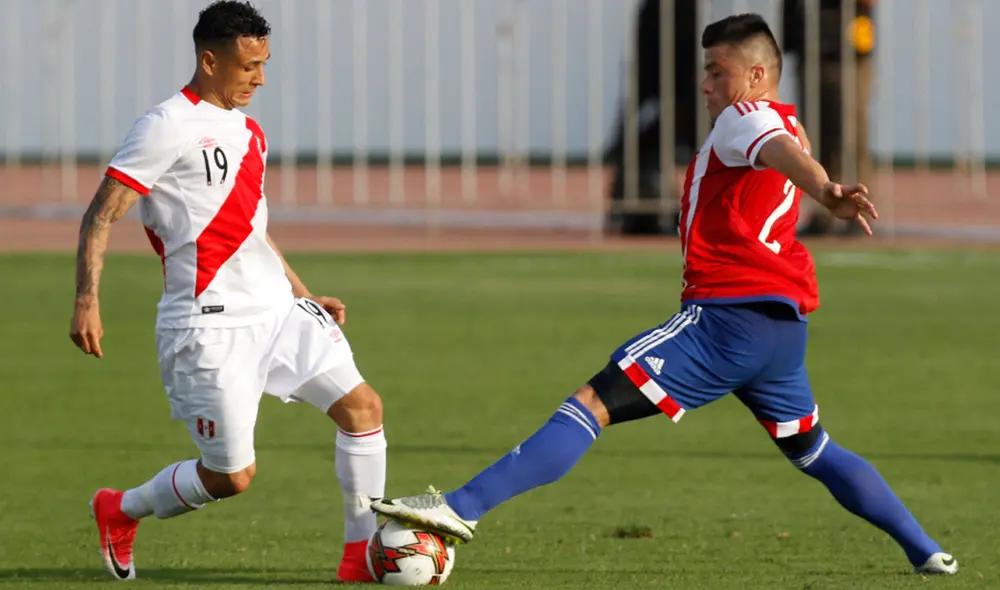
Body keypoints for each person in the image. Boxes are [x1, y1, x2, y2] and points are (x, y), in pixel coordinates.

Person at [370, 13, 957, 576]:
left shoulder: (746, 116)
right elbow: (787, 149)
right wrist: (822, 183)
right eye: (705, 71)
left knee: (592, 404)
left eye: (717, 71)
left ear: (756, 75)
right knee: (815, 450)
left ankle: (460, 507)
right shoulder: (787, 121)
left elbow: (776, 149)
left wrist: (825, 191)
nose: (706, 85)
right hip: (781, 331)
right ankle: (926, 551)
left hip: (726, 322)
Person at [69, 1, 385, 583]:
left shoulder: (250, 133)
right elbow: (101, 215)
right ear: (210, 61)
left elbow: (250, 229)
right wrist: (87, 300)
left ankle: (360, 559)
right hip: (208, 325)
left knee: (363, 409)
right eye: (248, 66)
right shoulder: (165, 125)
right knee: (231, 477)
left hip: (278, 312)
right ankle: (120, 509)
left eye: (264, 65)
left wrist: (303, 294)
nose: (259, 79)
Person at [782, 0, 878, 235]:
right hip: (809, 46)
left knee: (851, 135)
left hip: (849, 51)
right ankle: (822, 211)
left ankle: (859, 210)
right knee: (815, 134)